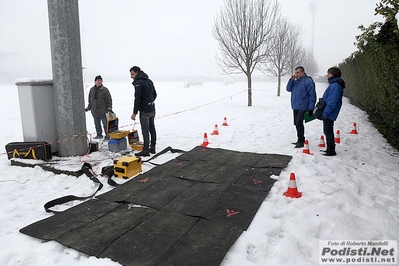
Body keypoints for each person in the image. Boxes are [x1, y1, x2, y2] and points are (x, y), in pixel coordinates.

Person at [286, 66, 316, 148]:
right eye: (295, 72)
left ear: (303, 72)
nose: (296, 74)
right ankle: (299, 139)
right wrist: (291, 80)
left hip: (304, 106)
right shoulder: (295, 81)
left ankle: (301, 140)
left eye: (298, 72)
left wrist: (311, 108)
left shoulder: (308, 81)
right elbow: (288, 89)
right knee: (296, 123)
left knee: (299, 122)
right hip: (295, 106)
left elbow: (312, 95)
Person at [130, 66, 157, 157]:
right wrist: (150, 101)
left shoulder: (139, 83)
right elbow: (155, 94)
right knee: (152, 128)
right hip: (152, 108)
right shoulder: (149, 81)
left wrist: (134, 112)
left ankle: (146, 150)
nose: (131, 76)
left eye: (132, 74)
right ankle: (152, 147)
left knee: (145, 130)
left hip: (145, 111)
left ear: (137, 72)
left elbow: (137, 98)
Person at [320, 67, 345, 156]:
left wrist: (325, 113)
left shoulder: (335, 86)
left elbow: (332, 102)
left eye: (329, 73)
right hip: (329, 112)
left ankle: (331, 150)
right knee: (327, 131)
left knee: (328, 131)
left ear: (333, 75)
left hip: (330, 113)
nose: (327, 75)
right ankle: (329, 149)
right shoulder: (334, 84)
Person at [85, 75, 113, 140]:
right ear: (95, 82)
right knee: (97, 124)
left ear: (102, 81)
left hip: (103, 111)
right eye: (97, 80)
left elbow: (109, 100)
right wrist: (88, 108)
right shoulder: (92, 90)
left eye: (100, 80)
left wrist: (109, 108)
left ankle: (107, 135)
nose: (99, 81)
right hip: (95, 111)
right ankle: (99, 134)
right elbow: (90, 100)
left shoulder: (105, 90)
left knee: (105, 125)